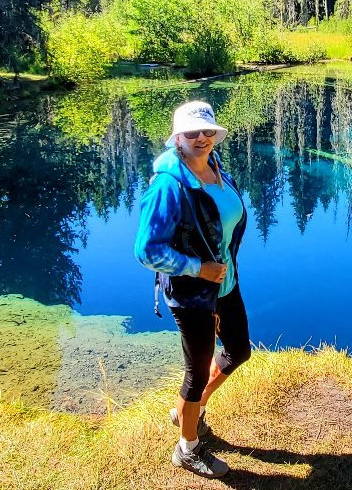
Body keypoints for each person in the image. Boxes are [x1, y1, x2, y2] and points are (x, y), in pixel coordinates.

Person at [133, 100, 250, 479]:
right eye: (191, 133)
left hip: (224, 283)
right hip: (192, 294)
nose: (201, 138)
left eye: (207, 132)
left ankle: (192, 410)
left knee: (237, 352)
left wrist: (217, 269)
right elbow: (146, 250)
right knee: (196, 373)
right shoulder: (169, 184)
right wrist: (199, 268)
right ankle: (188, 449)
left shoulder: (216, 169)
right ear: (177, 138)